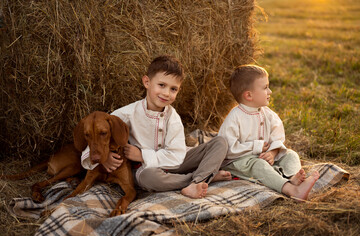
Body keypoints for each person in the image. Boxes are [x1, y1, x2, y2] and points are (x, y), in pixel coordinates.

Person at [81, 55, 232, 199]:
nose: (166, 93)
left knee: (220, 142)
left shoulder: (173, 118)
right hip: (145, 170)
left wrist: (142, 155)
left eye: (173, 89)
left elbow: (177, 157)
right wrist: (104, 158)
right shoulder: (125, 115)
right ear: (147, 82)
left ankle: (198, 180)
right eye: (161, 85)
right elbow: (95, 139)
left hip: (175, 164)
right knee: (149, 179)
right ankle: (202, 178)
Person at [218, 64, 319, 201]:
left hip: (265, 158)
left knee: (291, 155)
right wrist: (255, 147)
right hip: (240, 162)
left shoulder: (269, 114)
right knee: (259, 166)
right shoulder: (234, 118)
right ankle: (292, 189)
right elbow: (227, 149)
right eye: (265, 88)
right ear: (249, 95)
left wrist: (273, 153)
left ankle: (292, 178)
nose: (270, 91)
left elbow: (277, 138)